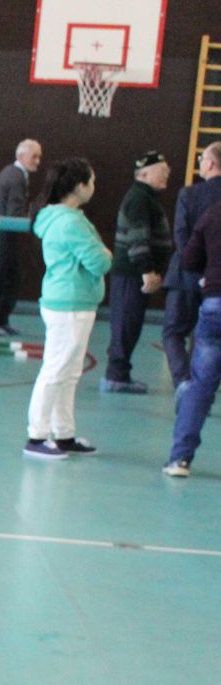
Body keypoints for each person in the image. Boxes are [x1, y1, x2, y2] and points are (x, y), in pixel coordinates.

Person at [26, 158, 113, 459]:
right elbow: (100, 261)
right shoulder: (70, 222)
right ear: (79, 186)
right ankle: (36, 436)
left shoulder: (67, 217)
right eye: (91, 181)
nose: (93, 187)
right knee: (56, 369)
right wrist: (104, 253)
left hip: (75, 303)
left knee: (69, 372)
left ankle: (63, 434)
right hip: (69, 305)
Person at [102, 150, 173, 393]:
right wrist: (147, 271)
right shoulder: (140, 199)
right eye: (162, 171)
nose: (167, 174)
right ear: (144, 173)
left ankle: (119, 373)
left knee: (129, 324)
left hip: (134, 274)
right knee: (126, 324)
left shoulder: (146, 197)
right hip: (132, 275)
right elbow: (137, 238)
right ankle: (116, 376)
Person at [163, 199, 221, 477]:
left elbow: (189, 259)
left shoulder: (213, 212)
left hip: (214, 305)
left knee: (200, 387)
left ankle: (179, 460)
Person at [163, 143, 221, 390]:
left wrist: (193, 268)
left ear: (210, 163)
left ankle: (183, 383)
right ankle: (200, 388)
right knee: (206, 337)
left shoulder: (189, 194)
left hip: (186, 275)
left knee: (174, 332)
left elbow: (181, 236)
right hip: (217, 278)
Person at [0, 139, 42, 337]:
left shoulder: (13, 174)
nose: (38, 161)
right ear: (21, 156)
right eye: (34, 156)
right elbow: (14, 212)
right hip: (4, 236)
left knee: (7, 279)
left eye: (39, 157)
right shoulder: (16, 176)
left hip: (3, 236)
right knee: (5, 279)